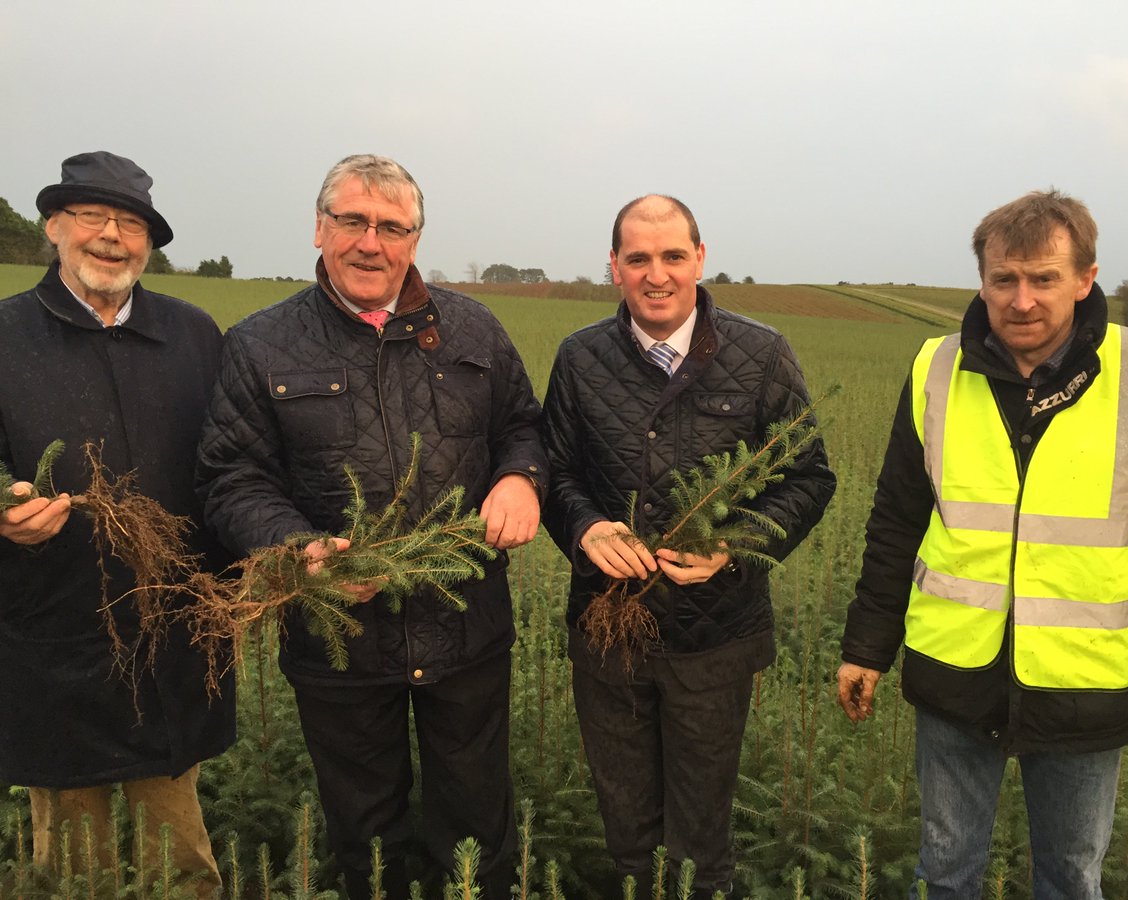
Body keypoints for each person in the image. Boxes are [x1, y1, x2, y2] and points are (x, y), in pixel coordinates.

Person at [195, 154, 547, 899]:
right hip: (340, 642)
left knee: (479, 827)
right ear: (319, 229)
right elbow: (232, 478)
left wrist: (521, 477)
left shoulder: (474, 331)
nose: (370, 242)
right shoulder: (260, 345)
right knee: (367, 836)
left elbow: (522, 424)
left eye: (392, 227)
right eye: (352, 221)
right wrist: (295, 548)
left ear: (414, 240)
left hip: (467, 632)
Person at [837, 190, 1128, 898]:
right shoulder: (935, 370)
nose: (1022, 300)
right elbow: (895, 522)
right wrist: (865, 648)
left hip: (1082, 688)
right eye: (1004, 279)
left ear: (1085, 278)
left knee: (1070, 878)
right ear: (982, 279)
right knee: (944, 873)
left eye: (1044, 278)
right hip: (953, 675)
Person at [542, 194, 836, 898]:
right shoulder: (581, 358)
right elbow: (552, 470)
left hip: (716, 641)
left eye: (673, 256)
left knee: (702, 844)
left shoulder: (760, 354)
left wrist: (732, 546)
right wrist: (585, 528)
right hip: (609, 636)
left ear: (700, 260)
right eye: (638, 258)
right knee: (629, 838)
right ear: (613, 267)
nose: (657, 273)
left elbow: (808, 476)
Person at [0, 151, 235, 897]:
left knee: (183, 853)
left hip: (173, 629)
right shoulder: (6, 335)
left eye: (130, 223)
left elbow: (234, 464)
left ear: (149, 242)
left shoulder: (195, 335)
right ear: (55, 228)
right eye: (93, 217)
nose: (112, 236)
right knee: (72, 861)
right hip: (54, 629)